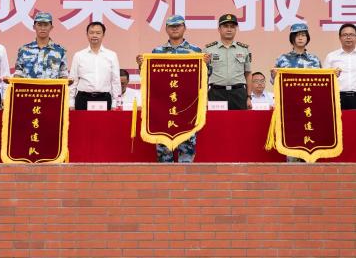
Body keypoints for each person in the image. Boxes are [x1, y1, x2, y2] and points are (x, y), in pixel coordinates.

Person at [136, 15, 210, 163]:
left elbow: (205, 77)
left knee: (187, 152)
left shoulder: (195, 51)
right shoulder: (157, 51)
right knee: (164, 153)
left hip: (188, 108)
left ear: (185, 28)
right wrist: (141, 65)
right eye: (171, 26)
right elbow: (150, 78)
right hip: (163, 109)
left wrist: (206, 65)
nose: (175, 28)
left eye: (178, 26)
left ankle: (185, 178)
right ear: (166, 29)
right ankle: (165, 178)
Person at [69, 21, 121, 111]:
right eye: (91, 32)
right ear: (87, 35)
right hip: (82, 99)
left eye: (98, 33)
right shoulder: (79, 55)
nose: (94, 35)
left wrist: (115, 103)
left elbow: (115, 81)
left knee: (104, 121)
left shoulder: (112, 55)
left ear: (103, 35)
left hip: (104, 98)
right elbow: (73, 80)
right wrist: (70, 103)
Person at [323, 23, 356, 110]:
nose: (348, 37)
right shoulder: (331, 56)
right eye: (345, 35)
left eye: (351, 34)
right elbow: (325, 81)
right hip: (337, 98)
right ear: (340, 38)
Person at [204, 14, 252, 110]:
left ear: (236, 29)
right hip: (216, 93)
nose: (229, 29)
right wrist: (205, 97)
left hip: (238, 93)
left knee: (239, 120)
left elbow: (248, 73)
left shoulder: (244, 49)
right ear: (219, 29)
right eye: (226, 26)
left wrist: (249, 97)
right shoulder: (208, 50)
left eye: (232, 27)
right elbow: (204, 76)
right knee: (216, 120)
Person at [11, 12, 68, 80]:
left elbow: (63, 75)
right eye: (39, 25)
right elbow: (18, 73)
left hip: (51, 87)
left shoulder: (60, 51)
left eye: (46, 25)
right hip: (28, 87)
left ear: (51, 27)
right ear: (34, 27)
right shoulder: (24, 50)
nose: (42, 28)